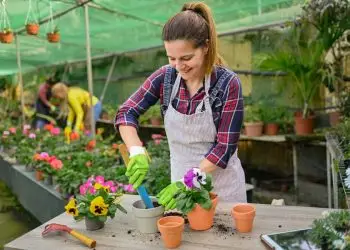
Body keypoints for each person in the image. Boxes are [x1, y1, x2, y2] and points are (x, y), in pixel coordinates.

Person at [115, 2, 246, 210]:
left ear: (205, 47)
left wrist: (188, 182)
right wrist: (136, 150)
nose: (178, 66)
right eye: (171, 58)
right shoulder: (165, 78)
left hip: (222, 191)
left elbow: (224, 147)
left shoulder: (227, 83)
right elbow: (127, 112)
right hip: (178, 194)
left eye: (186, 58)